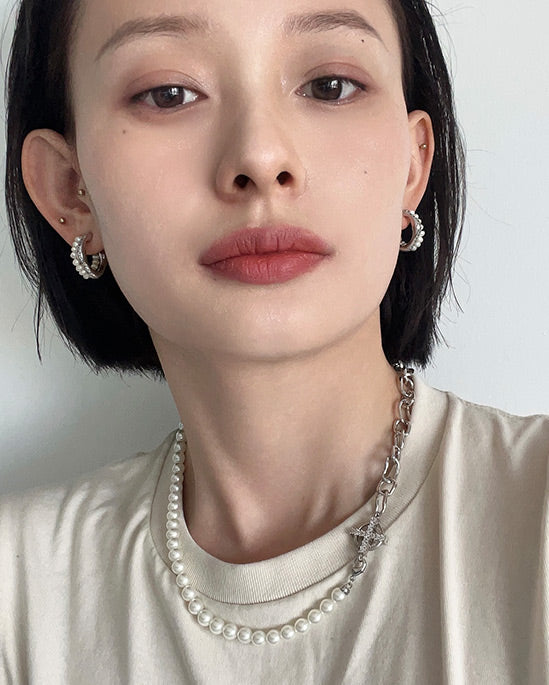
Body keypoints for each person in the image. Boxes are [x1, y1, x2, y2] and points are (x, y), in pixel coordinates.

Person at [0, 0, 547, 682]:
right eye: (168, 94)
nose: (261, 158)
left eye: (330, 85)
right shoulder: (19, 597)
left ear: (412, 166)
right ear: (70, 189)